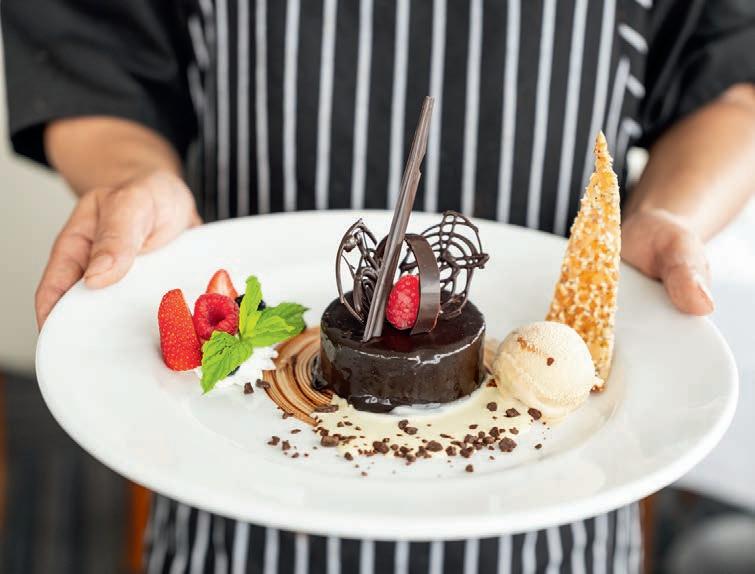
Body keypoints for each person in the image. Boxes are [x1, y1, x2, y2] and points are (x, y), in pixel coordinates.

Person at [3, 0, 754, 572]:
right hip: (238, 509)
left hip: (556, 516)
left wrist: (666, 215)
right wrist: (132, 176)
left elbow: (731, 83)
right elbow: (93, 49)